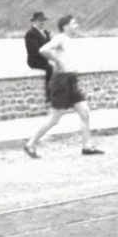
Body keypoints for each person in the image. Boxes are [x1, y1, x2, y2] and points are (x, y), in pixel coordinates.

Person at [24, 15, 104, 157]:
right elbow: (43, 50)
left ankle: (87, 147)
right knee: (54, 119)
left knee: (85, 112)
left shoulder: (70, 40)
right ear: (66, 26)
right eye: (74, 23)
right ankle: (31, 144)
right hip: (61, 81)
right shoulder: (60, 38)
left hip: (72, 80)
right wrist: (58, 62)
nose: (77, 25)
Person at [24, 11, 52, 98]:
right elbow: (35, 51)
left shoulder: (46, 33)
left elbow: (50, 47)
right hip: (35, 61)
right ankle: (49, 95)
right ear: (34, 21)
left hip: (45, 60)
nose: (42, 23)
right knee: (50, 68)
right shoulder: (31, 34)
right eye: (40, 21)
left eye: (43, 20)